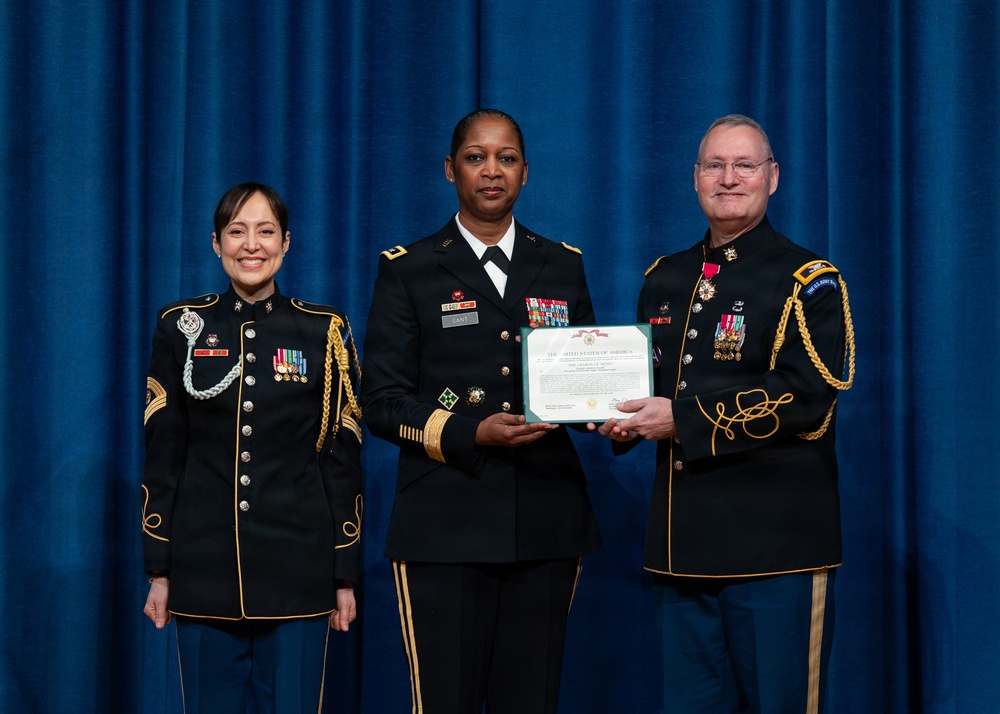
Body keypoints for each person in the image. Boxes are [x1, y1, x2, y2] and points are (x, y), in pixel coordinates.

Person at [593, 115, 855, 713]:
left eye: (745, 166)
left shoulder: (808, 280)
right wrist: (614, 413)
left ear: (773, 177)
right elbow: (650, 384)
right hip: (682, 551)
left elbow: (807, 398)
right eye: (715, 165)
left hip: (776, 554)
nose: (728, 178)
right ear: (695, 178)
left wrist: (679, 421)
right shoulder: (665, 278)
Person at [361, 108, 601, 714]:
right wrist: (474, 433)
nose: (491, 171)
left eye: (507, 158)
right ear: (450, 170)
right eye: (475, 157)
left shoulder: (562, 263)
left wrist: (614, 414)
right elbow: (382, 403)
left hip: (546, 518)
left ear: (525, 173)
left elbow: (589, 375)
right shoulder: (408, 269)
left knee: (533, 701)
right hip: (444, 521)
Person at [140, 182, 363, 713]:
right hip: (203, 570)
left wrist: (343, 575)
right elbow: (163, 453)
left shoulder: (324, 330)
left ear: (287, 242)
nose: (251, 245)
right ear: (215, 244)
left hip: (299, 574)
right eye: (236, 232)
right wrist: (159, 570)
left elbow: (342, 457)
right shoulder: (181, 326)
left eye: (265, 231)